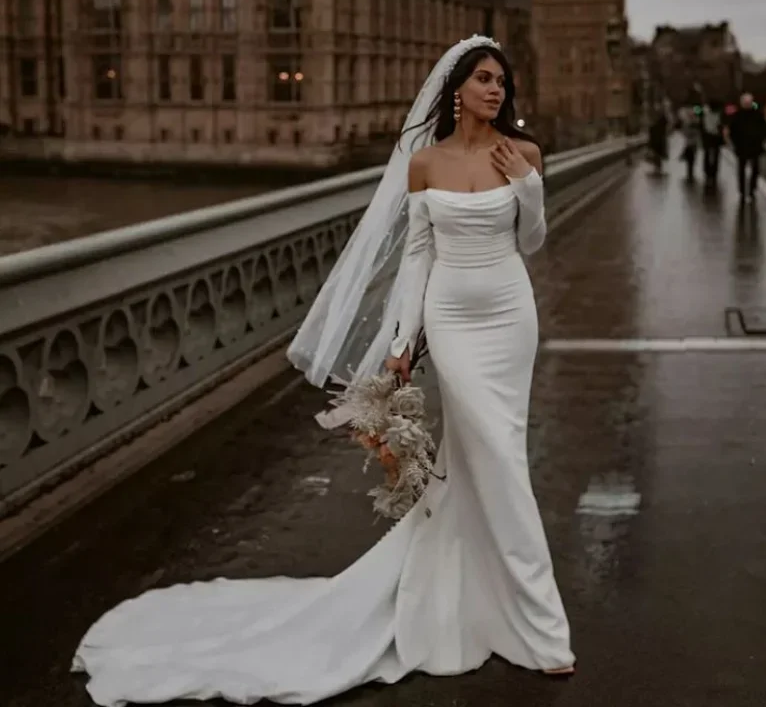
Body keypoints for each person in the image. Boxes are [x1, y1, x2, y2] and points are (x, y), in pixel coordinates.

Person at [71, 37, 576, 707]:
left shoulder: (524, 155)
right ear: (456, 89)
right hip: (452, 323)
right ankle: (543, 628)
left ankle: (470, 599)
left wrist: (529, 187)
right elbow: (418, 257)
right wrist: (403, 340)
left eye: (502, 82)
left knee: (492, 457)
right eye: (484, 79)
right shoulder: (424, 164)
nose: (496, 91)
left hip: (511, 319)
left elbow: (532, 239)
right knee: (497, 461)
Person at [727, 92, 766, 202]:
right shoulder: (751, 115)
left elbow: (764, 129)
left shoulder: (741, 115)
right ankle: (747, 190)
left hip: (749, 146)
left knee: (748, 169)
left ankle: (747, 189)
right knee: (748, 169)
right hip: (747, 146)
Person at [700, 99, 724, 188]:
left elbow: (702, 127)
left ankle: (708, 173)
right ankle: (713, 174)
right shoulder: (718, 116)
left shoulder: (706, 115)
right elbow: (720, 127)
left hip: (708, 137)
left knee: (707, 155)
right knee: (715, 156)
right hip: (715, 138)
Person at [648, 107, 669, 173]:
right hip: (658, 140)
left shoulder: (657, 125)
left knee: (657, 154)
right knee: (658, 154)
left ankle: (657, 167)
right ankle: (658, 167)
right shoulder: (661, 124)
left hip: (657, 141)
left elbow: (652, 132)